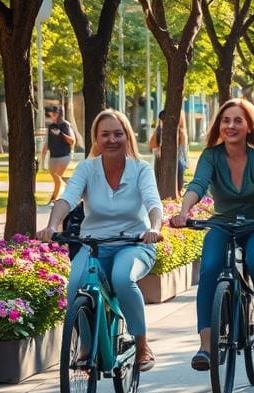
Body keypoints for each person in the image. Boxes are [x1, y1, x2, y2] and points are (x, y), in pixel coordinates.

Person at [38, 109, 163, 371]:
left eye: (118, 134)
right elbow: (67, 198)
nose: (111, 140)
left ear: (127, 137)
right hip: (94, 245)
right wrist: (51, 225)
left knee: (121, 278)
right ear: (96, 138)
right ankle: (85, 345)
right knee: (75, 285)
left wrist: (153, 227)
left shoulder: (141, 169)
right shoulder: (86, 168)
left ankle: (142, 345)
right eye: (104, 134)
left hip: (134, 243)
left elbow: (153, 202)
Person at [172, 99, 254, 369]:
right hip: (223, 223)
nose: (231, 126)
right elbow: (198, 183)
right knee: (210, 269)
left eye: (238, 120)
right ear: (219, 125)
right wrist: (184, 211)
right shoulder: (211, 156)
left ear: (250, 126)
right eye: (226, 120)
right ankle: (206, 346)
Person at [40, 105, 76, 205]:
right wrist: (42, 156)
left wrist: (61, 134)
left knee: (57, 176)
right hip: (53, 156)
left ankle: (54, 199)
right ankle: (71, 185)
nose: (52, 116)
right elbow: (47, 142)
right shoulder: (51, 127)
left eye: (54, 114)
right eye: (51, 114)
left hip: (64, 155)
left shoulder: (65, 125)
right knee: (56, 177)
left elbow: (72, 141)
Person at [150, 110, 189, 193]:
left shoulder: (181, 132)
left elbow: (182, 150)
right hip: (161, 160)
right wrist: (159, 128)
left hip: (177, 161)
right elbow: (152, 145)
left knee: (177, 187)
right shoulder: (160, 129)